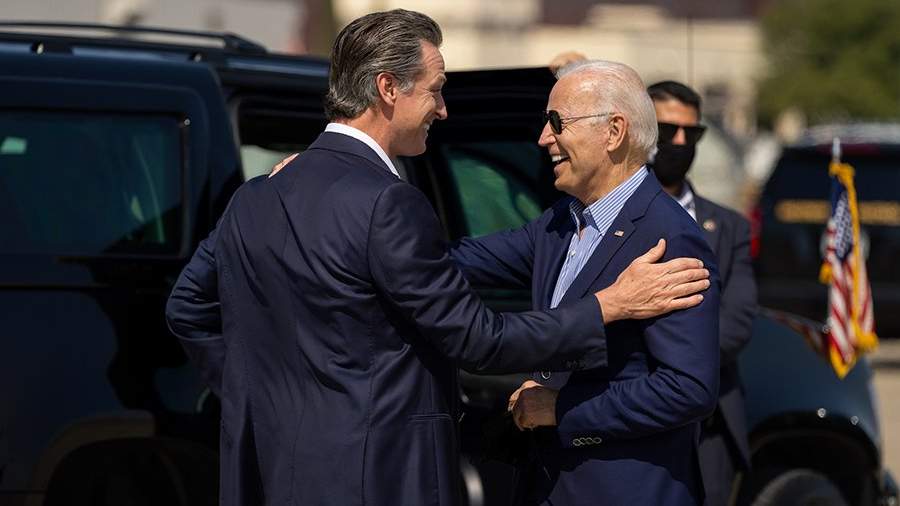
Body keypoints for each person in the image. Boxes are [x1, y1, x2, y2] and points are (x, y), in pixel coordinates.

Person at [165, 10, 712, 506]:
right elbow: (478, 339)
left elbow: (188, 306)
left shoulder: (256, 196)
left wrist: (254, 399)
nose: (444, 109)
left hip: (273, 468)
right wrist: (607, 307)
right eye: (436, 90)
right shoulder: (388, 203)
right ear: (387, 88)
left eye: (556, 122)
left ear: (614, 132)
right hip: (376, 475)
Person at [450, 60, 721, 505]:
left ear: (614, 132)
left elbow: (687, 389)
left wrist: (560, 409)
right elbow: (458, 262)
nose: (544, 138)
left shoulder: (668, 237)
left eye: (557, 122)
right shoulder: (560, 222)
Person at [648, 80, 758, 506]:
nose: (679, 142)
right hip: (632, 414)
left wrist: (674, 372)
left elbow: (737, 321)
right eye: (666, 130)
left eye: (691, 133)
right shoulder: (609, 215)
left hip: (708, 422)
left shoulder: (728, 226)